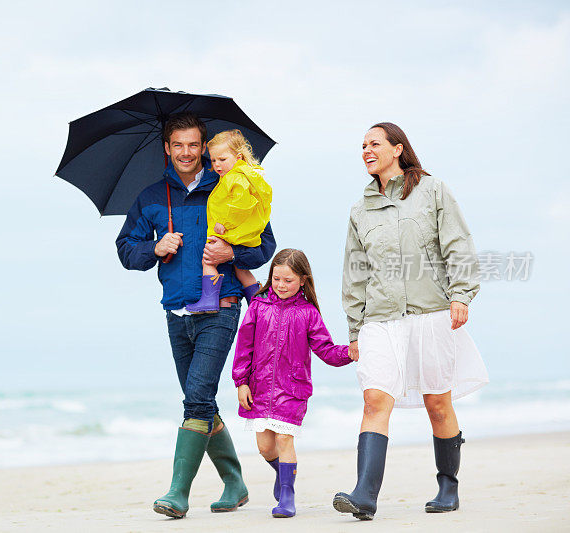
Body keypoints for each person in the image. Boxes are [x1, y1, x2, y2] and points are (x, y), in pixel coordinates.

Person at [115, 112, 276, 518]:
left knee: (197, 398)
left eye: (193, 145)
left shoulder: (233, 186)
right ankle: (235, 482)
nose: (186, 153)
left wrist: (231, 254)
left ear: (204, 147)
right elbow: (125, 250)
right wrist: (154, 248)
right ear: (167, 149)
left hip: (221, 308)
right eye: (178, 145)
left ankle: (177, 493)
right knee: (198, 399)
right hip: (176, 311)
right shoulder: (150, 197)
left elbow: (264, 247)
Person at [333, 122, 489, 520]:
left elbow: (457, 242)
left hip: (431, 312)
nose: (366, 150)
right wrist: (355, 330)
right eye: (362, 145)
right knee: (374, 399)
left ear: (398, 148)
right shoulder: (359, 210)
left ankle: (447, 485)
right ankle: (365, 495)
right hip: (380, 319)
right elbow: (355, 272)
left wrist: (461, 294)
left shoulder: (432, 191)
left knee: (437, 403)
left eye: (375, 143)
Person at [232, 248, 354, 518]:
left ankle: (287, 495)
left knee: (285, 439)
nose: (281, 285)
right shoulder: (258, 306)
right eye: (277, 279)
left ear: (302, 280)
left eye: (288, 280)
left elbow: (326, 350)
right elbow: (244, 348)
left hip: (293, 389)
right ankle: (283, 473)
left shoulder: (308, 313)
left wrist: (349, 353)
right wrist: (241, 382)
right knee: (265, 447)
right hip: (259, 388)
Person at [186, 130, 272, 313]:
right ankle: (259, 304)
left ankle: (209, 300)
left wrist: (224, 223)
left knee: (208, 261)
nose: (217, 165)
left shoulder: (235, 177)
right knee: (240, 269)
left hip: (231, 232)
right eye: (214, 160)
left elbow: (241, 203)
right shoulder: (239, 176)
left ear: (238, 156)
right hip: (241, 233)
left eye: (222, 160)